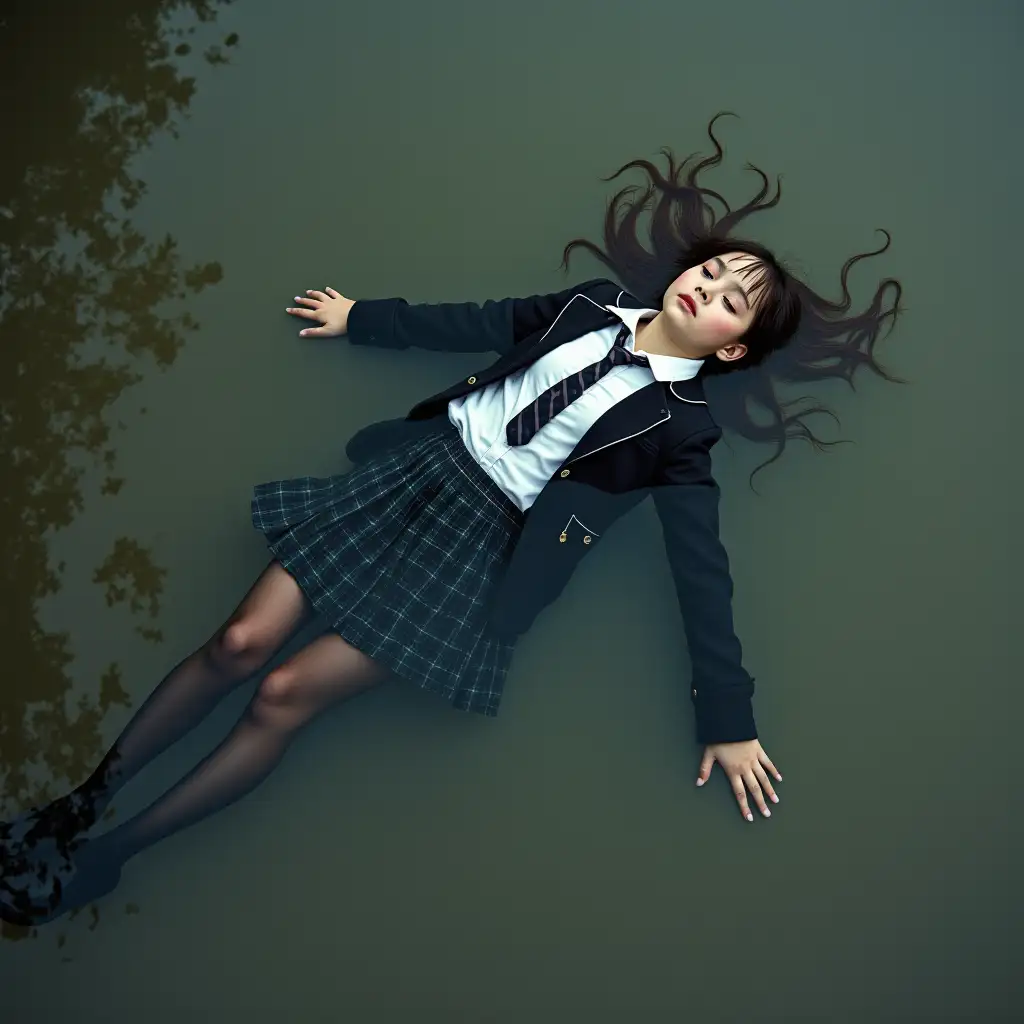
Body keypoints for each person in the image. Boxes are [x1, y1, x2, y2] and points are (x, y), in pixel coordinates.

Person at [0, 113, 903, 927]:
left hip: (482, 553)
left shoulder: (683, 433)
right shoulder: (587, 305)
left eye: (733, 297)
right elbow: (478, 320)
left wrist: (728, 715)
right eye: (711, 268)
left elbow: (701, 569)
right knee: (239, 643)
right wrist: (365, 319)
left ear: (734, 346)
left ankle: (108, 858)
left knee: (280, 697)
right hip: (412, 477)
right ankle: (82, 800)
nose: (708, 286)